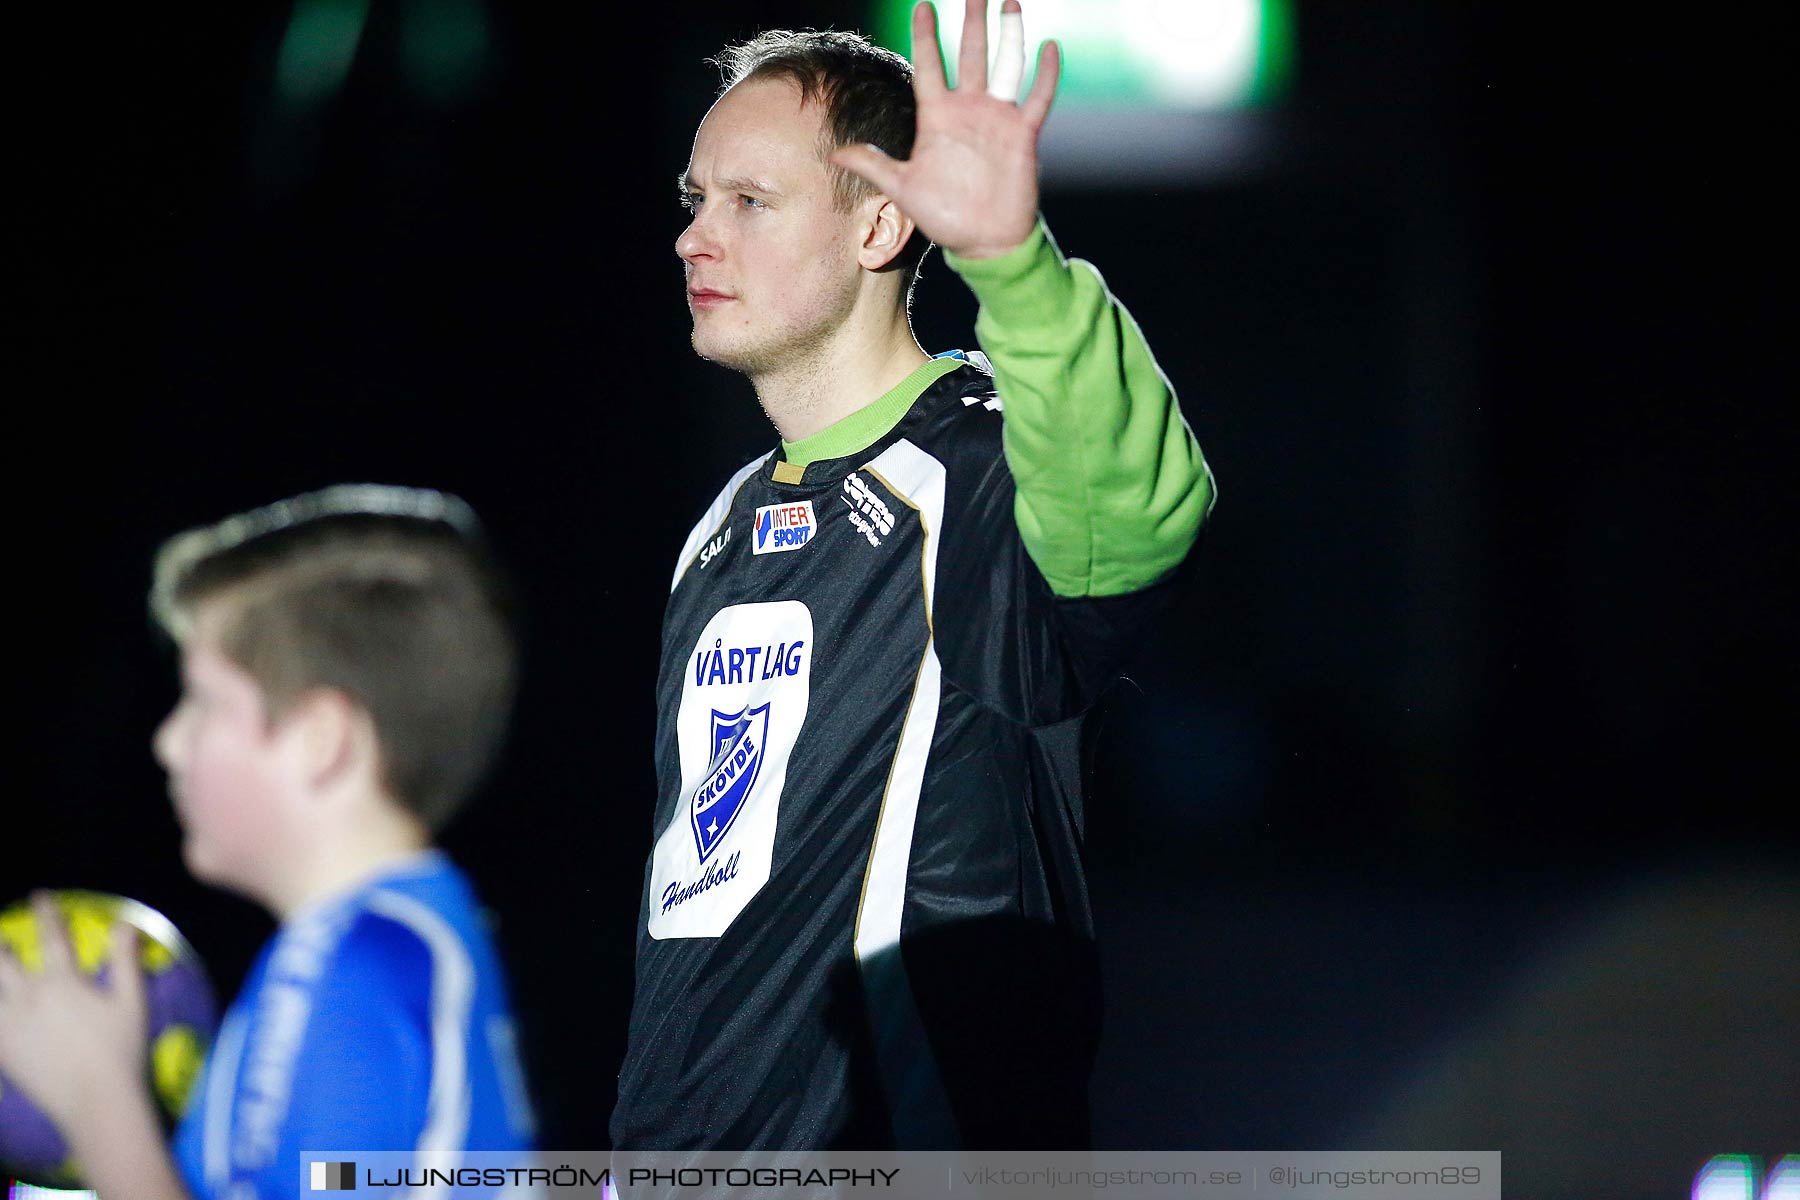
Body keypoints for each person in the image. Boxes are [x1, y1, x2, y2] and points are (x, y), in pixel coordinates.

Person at [611, 0, 1216, 1150]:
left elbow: (1142, 514)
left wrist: (1016, 267)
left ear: (883, 224)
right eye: (696, 200)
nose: (695, 237)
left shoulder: (982, 470)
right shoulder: (721, 530)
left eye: (749, 202)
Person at [0, 485, 537, 1198]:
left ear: (321, 740)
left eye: (203, 701)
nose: (168, 741)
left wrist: (98, 1098)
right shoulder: (366, 947)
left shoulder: (361, 966)